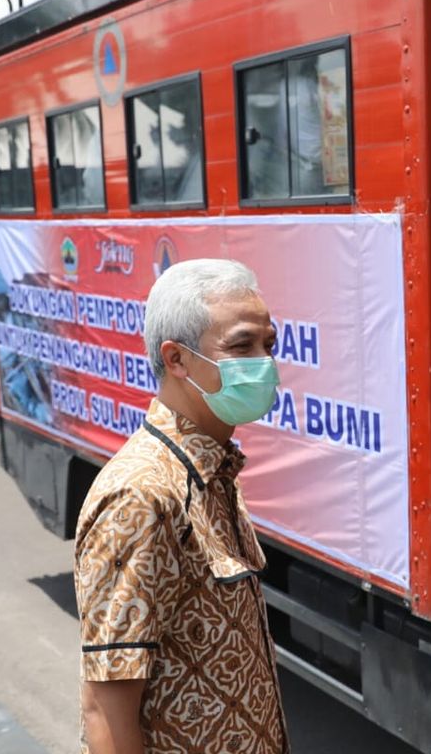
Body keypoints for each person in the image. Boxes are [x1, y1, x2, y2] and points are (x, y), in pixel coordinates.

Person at [74, 259, 288, 754]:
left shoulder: (213, 473)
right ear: (176, 359)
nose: (264, 363)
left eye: (268, 346)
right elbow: (105, 706)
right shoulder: (141, 496)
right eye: (241, 346)